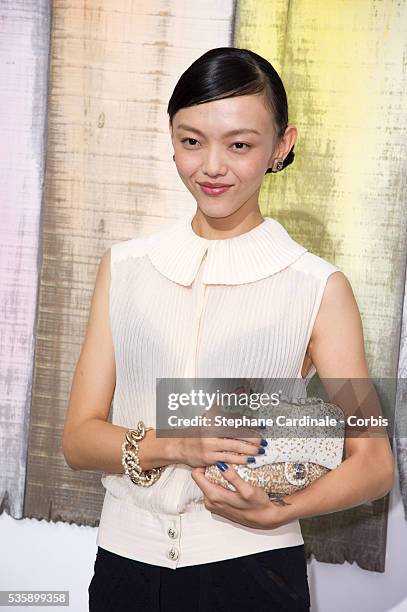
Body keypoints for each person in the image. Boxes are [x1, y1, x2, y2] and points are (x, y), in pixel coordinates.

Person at [62, 47, 394, 611]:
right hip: (124, 568)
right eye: (192, 140)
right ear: (171, 137)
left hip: (254, 571)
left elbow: (374, 461)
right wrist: (174, 444)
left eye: (240, 144)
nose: (212, 166)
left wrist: (281, 510)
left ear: (281, 146)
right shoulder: (126, 267)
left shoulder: (317, 286)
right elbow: (78, 439)